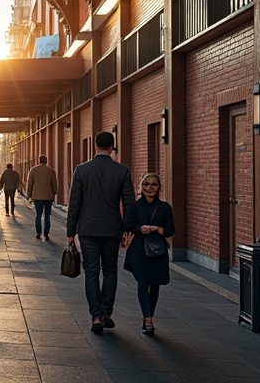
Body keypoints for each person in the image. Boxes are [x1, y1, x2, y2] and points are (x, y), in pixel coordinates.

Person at [66, 131, 136, 334]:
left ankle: (95, 316)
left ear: (95, 146)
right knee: (110, 270)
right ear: (112, 147)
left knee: (91, 271)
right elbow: (129, 203)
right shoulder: (122, 171)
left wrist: (71, 231)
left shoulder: (81, 170)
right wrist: (127, 229)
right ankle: (106, 312)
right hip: (112, 229)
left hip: (87, 229)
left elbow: (74, 203)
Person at [124, 173, 175, 335]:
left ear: (159, 187)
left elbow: (170, 229)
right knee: (143, 282)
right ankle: (148, 319)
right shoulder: (135, 206)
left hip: (158, 250)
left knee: (155, 283)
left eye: (154, 184)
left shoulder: (165, 208)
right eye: (146, 184)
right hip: (139, 249)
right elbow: (128, 224)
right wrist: (140, 229)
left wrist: (157, 229)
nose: (150, 188)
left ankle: (149, 314)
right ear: (141, 187)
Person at [26, 154, 59, 240]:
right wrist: (54, 193)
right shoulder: (51, 171)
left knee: (38, 215)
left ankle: (38, 232)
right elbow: (54, 184)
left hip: (37, 196)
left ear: (39, 161)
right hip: (48, 196)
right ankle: (46, 233)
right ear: (46, 161)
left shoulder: (33, 170)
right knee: (47, 215)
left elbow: (30, 183)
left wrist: (28, 194)